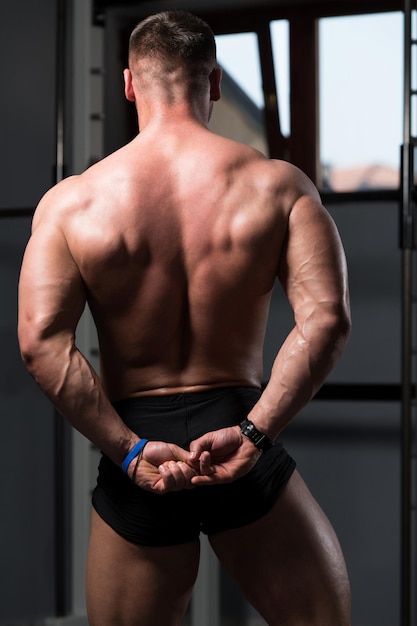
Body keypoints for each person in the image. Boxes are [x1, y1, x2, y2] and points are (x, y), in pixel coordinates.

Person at [18, 9, 352, 626]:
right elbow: (326, 322)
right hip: (241, 433)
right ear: (215, 83)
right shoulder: (278, 187)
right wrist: (254, 435)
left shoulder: (73, 203)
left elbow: (42, 344)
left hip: (140, 452)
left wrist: (128, 451)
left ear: (128, 84)